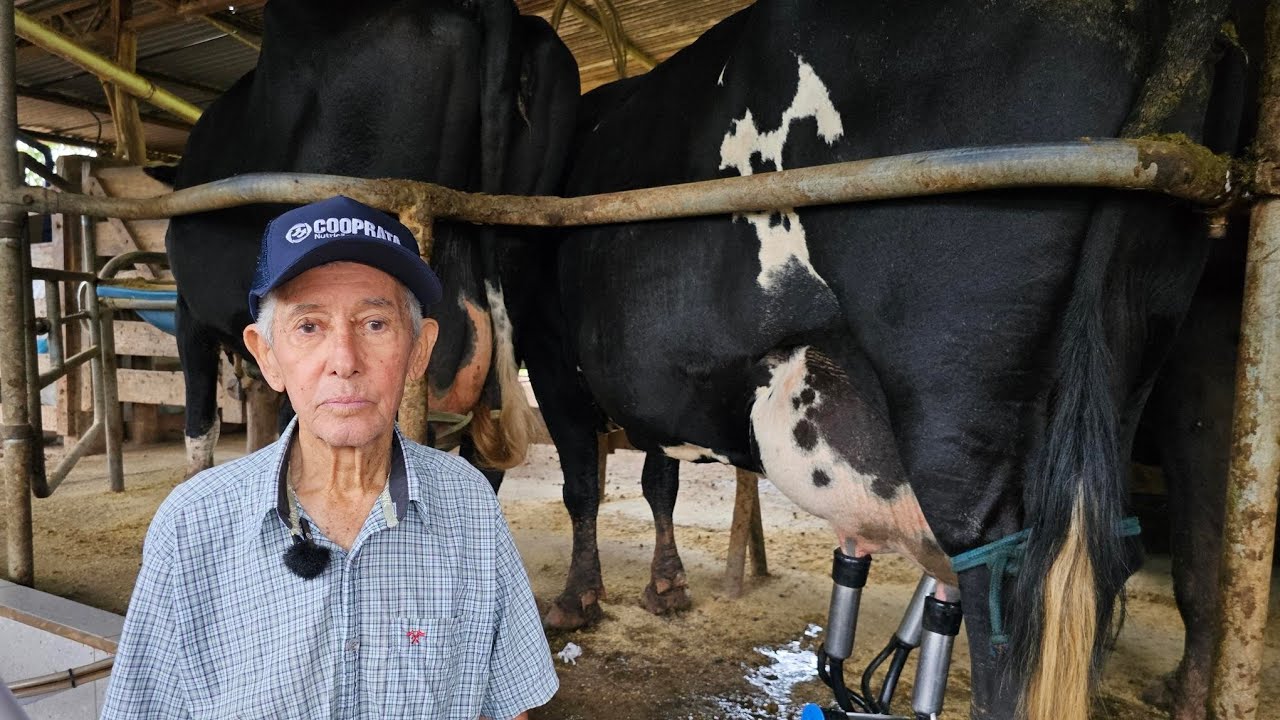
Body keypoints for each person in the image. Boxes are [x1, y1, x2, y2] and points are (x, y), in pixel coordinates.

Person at [101, 196, 558, 719]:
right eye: (309, 326)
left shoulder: (469, 505)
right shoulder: (191, 526)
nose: (344, 360)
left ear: (418, 351)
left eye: (375, 324)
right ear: (267, 356)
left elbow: (509, 707)